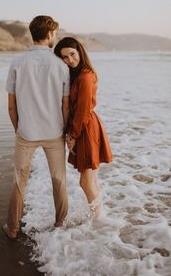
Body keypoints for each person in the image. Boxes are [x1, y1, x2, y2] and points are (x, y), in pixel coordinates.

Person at [3, 15, 70, 239]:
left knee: (19, 181)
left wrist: (18, 129)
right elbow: (65, 106)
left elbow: (11, 106)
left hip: (26, 132)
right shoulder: (61, 65)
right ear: (50, 34)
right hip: (54, 133)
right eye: (55, 33)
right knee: (59, 180)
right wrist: (66, 132)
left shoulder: (17, 63)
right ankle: (60, 225)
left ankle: (12, 229)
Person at [54, 37, 113, 217]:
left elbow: (82, 111)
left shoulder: (86, 76)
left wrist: (72, 135)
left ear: (79, 51)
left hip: (86, 128)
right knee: (91, 181)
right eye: (64, 57)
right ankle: (100, 218)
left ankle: (98, 221)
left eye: (72, 54)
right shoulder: (78, 74)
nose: (70, 60)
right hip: (86, 126)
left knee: (86, 182)